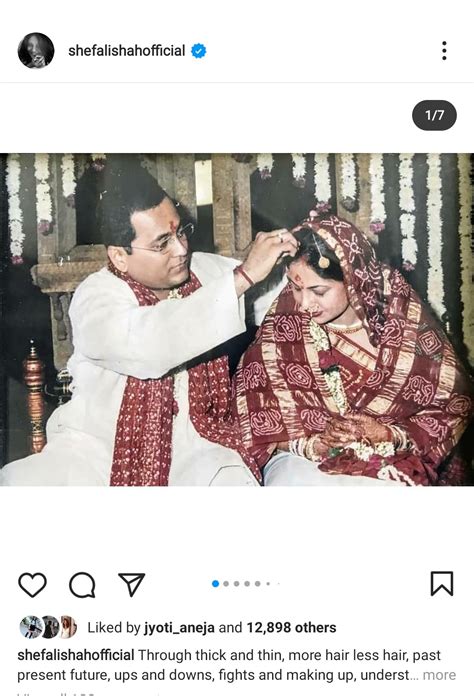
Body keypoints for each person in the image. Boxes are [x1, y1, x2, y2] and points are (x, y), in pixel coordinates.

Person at [0, 173, 297, 486]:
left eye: (181, 232)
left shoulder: (203, 270)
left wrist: (301, 253)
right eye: (162, 243)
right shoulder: (95, 298)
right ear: (119, 256)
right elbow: (151, 343)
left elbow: (275, 297)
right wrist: (243, 277)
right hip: (97, 449)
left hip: (195, 444)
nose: (181, 249)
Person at [234, 213, 473, 486]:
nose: (304, 304)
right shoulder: (285, 324)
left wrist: (388, 434)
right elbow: (252, 417)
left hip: (397, 457)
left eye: (319, 291)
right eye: (296, 288)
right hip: (306, 465)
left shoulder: (400, 314)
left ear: (353, 279)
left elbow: (455, 401)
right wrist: (312, 445)